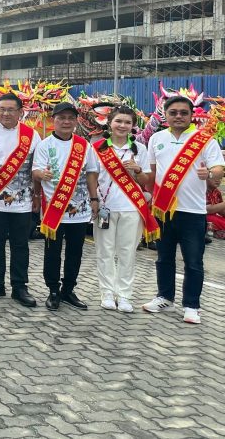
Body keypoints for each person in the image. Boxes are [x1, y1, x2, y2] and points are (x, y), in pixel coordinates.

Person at [143, 96, 224, 324]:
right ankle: (165, 297)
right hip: (163, 210)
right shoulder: (157, 138)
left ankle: (191, 305)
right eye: (173, 112)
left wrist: (209, 174)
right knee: (164, 258)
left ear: (191, 115)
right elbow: (153, 173)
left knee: (194, 261)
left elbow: (218, 168)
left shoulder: (203, 140)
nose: (178, 116)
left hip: (194, 212)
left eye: (183, 113)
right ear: (165, 115)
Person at [0, 92, 40, 307]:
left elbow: (36, 169)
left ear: (21, 112)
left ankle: (20, 287)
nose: (6, 113)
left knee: (21, 245)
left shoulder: (32, 136)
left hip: (22, 202)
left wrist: (37, 195)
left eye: (11, 109)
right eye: (2, 109)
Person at [32, 102, 98, 311]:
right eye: (61, 118)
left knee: (75, 252)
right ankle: (53, 290)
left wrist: (95, 199)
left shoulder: (83, 145)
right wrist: (41, 175)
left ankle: (68, 290)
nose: (66, 122)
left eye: (70, 118)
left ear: (76, 121)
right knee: (52, 252)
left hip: (79, 211)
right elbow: (35, 172)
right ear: (54, 120)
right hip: (54, 209)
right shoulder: (44, 145)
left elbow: (91, 174)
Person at [92, 106, 154, 313]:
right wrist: (94, 200)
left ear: (133, 126)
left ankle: (125, 295)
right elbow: (91, 177)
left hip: (131, 207)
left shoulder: (139, 149)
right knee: (105, 251)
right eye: (118, 121)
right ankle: (107, 293)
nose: (122, 125)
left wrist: (137, 170)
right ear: (109, 123)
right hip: (105, 208)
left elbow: (146, 181)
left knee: (127, 253)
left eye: (127, 122)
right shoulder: (98, 147)